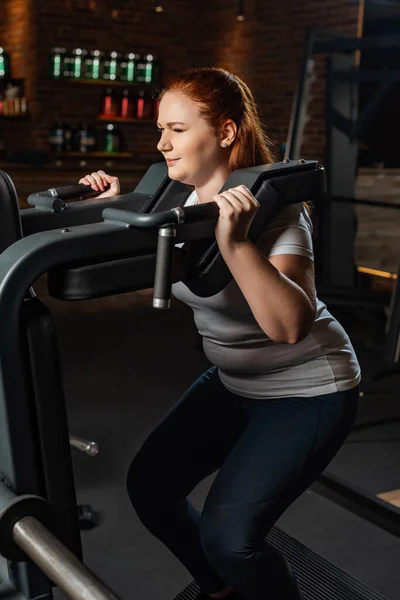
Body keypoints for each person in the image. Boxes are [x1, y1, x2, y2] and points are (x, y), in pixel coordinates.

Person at [80, 67, 360, 600]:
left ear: (226, 132)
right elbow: (154, 280)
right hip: (235, 381)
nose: (161, 143)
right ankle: (223, 592)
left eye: (177, 130)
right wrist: (112, 214)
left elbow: (290, 326)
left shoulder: (276, 213)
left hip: (308, 390)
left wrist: (235, 244)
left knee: (231, 541)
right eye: (161, 129)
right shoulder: (171, 199)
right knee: (151, 488)